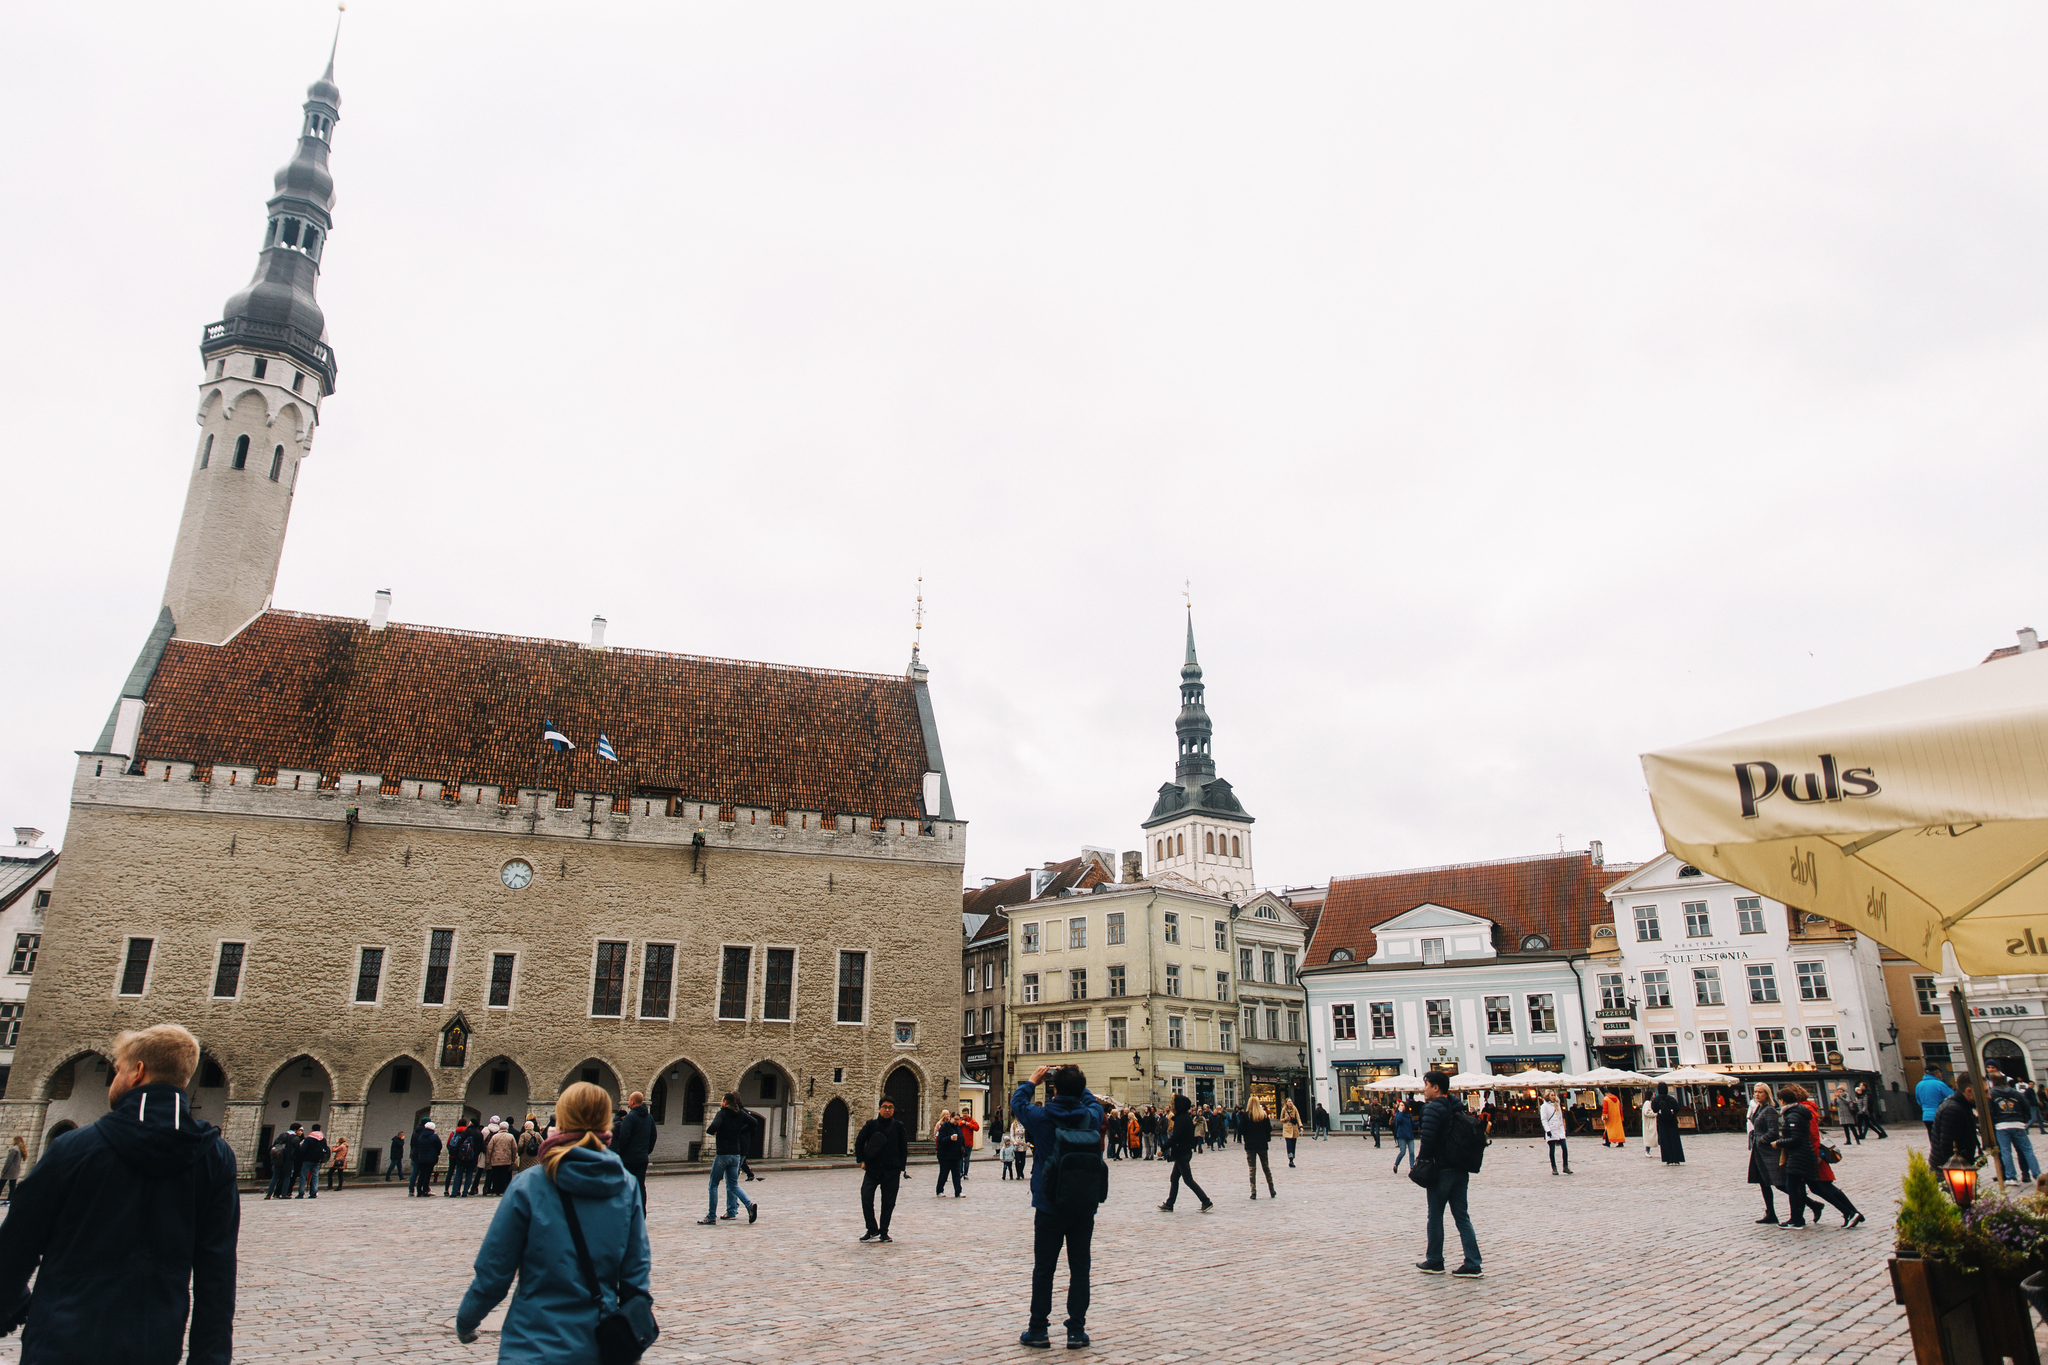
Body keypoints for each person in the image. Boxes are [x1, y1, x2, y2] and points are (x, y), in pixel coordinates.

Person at [0, 1023, 239, 1365]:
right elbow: (217, 1275)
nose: (115, 1079)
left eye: (117, 1070)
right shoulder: (215, 1158)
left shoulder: (73, 1149)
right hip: (153, 1345)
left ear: (137, 1072)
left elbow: (15, 1247)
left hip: (60, 1342)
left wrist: (10, 1304)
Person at [455, 1081, 651, 1358]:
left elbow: (494, 1270)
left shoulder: (529, 1185)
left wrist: (467, 1320)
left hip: (532, 1344)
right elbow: (636, 1275)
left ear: (563, 1118)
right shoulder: (627, 1186)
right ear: (605, 1122)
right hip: (598, 1346)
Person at [1012, 1063, 1105, 1349]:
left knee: (1044, 1269)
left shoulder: (1041, 1118)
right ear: (1080, 1089)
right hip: (1083, 1204)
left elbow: (1018, 1103)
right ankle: (1076, 1330)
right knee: (1080, 1269)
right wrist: (1077, 1080)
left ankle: (1038, 1329)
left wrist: (1032, 1079)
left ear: (1053, 1090)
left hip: (1049, 1203)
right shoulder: (1091, 1116)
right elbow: (1091, 1101)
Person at [1414, 1071, 1482, 1278]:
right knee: (1462, 1216)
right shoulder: (1456, 1106)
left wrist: (1421, 1162)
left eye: (1426, 1085)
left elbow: (1428, 1140)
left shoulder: (1432, 1109)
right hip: (1460, 1168)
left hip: (1441, 1169)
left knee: (1435, 1215)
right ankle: (1473, 1262)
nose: (1423, 1089)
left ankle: (1435, 1260)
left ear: (1436, 1088)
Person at [1774, 1083, 1866, 1229]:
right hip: (1808, 1154)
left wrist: (1815, 1155)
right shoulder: (1803, 1108)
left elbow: (1812, 1134)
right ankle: (1798, 1218)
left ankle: (1851, 1212)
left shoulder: (1803, 1109)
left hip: (1809, 1154)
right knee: (1809, 1187)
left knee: (1821, 1186)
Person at [698, 1093, 759, 1226]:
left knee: (713, 1185)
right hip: (735, 1155)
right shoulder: (740, 1114)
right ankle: (749, 1205)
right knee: (733, 1185)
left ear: (725, 1102)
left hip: (723, 1154)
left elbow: (712, 1128)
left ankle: (711, 1216)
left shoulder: (723, 1113)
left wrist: (717, 1132)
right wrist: (740, 1131)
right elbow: (754, 1122)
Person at [855, 1097, 908, 1242]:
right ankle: (872, 1229)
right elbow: (859, 1142)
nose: (887, 1110)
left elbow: (904, 1148)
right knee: (866, 1198)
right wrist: (862, 1160)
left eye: (890, 1107)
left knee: (888, 1203)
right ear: (879, 1108)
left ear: (893, 1110)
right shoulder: (871, 1125)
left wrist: (900, 1167)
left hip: (891, 1171)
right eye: (884, 1107)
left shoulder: (898, 1126)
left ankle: (884, 1231)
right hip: (873, 1170)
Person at [1157, 1091, 1213, 1213]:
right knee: (1174, 1178)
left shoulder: (1182, 1119)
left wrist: (1163, 1149)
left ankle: (1206, 1201)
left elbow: (1176, 1137)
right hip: (1182, 1152)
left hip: (1182, 1153)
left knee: (1188, 1180)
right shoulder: (1185, 1117)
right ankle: (1169, 1204)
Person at [1989, 1073, 2041, 1183]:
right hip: (2017, 1123)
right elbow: (2026, 1107)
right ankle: (2037, 1175)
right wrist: (2021, 1117)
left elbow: (1990, 1110)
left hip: (2002, 1125)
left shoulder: (1992, 1093)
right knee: (2027, 1150)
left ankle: (2011, 1177)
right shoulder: (2015, 1092)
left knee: (2006, 1152)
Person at [612, 1090, 655, 1214]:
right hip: (642, 1158)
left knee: (627, 1185)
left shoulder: (630, 1117)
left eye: (629, 1101)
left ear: (632, 1102)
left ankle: (627, 1211)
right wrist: (647, 1151)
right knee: (640, 1186)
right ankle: (641, 1212)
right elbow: (653, 1136)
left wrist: (621, 1152)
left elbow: (624, 1136)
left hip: (629, 1158)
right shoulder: (649, 1117)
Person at [1930, 1074, 1981, 1170]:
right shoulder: (1952, 1109)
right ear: (1969, 1091)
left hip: (1958, 1168)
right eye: (1985, 1092)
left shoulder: (1964, 1105)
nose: (1989, 1096)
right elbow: (1947, 1147)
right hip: (1950, 1171)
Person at [1243, 1099, 1278, 1198]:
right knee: (1266, 1167)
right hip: (1262, 1144)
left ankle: (1253, 1191)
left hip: (1250, 1145)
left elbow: (1241, 1129)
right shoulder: (1263, 1115)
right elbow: (1269, 1129)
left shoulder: (1246, 1116)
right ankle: (1272, 1189)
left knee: (1252, 1169)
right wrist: (1266, 1139)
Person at [1917, 1068, 1956, 1146]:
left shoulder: (1919, 1085)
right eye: (1940, 1073)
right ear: (1936, 1073)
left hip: (1926, 1116)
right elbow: (1953, 1096)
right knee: (1944, 1140)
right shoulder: (1939, 1084)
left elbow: (1919, 1101)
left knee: (1933, 1140)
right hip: (1940, 1115)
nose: (1941, 1075)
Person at [1650, 1083, 1685, 1165]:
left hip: (1662, 1122)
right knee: (1674, 1141)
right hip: (1672, 1122)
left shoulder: (1656, 1099)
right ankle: (1676, 1158)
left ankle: (1668, 1158)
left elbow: (1654, 1110)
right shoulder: (1671, 1099)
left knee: (1665, 1141)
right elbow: (1677, 1108)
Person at [934, 1110, 966, 1197]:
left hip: (956, 1155)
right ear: (951, 1118)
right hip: (945, 1155)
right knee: (944, 1174)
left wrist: (964, 1152)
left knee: (956, 1175)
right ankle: (939, 1190)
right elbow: (941, 1140)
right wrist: (950, 1138)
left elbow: (961, 1140)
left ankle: (958, 1191)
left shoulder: (958, 1127)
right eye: (955, 1119)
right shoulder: (945, 1127)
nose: (956, 1121)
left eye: (958, 1119)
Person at [1539, 1093, 1572, 1174]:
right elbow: (1544, 1119)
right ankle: (1554, 1168)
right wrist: (1548, 1130)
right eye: (1552, 1095)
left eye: (1554, 1095)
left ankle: (1565, 1166)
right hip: (1551, 1129)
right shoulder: (1544, 1106)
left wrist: (1563, 1129)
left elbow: (1560, 1118)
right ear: (1548, 1096)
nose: (1553, 1097)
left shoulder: (1557, 1105)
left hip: (1559, 1129)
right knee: (1552, 1149)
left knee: (1564, 1147)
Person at [267, 1123, 301, 1200]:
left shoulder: (282, 1135)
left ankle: (269, 1194)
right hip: (288, 1160)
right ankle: (284, 1194)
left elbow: (275, 1144)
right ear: (295, 1130)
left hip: (278, 1159)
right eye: (299, 1130)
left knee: (275, 1177)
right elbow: (297, 1150)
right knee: (287, 1177)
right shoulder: (295, 1138)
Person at [410, 1120, 442, 1197]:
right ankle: (425, 1190)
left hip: (421, 1157)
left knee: (421, 1174)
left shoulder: (421, 1136)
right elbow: (439, 1146)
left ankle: (418, 1190)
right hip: (431, 1158)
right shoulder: (434, 1137)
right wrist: (436, 1153)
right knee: (427, 1175)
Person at [484, 1122, 517, 1196]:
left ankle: (495, 1190)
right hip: (506, 1159)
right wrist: (513, 1159)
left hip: (496, 1159)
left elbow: (489, 1148)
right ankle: (502, 1190)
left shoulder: (495, 1136)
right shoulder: (510, 1137)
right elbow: (514, 1148)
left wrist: (488, 1159)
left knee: (495, 1175)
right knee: (503, 1176)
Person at [296, 1128, 329, 1198]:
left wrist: (302, 1156)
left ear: (312, 1130)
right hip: (317, 1160)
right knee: (315, 1176)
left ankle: (301, 1193)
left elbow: (303, 1149)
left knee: (303, 1176)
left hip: (307, 1160)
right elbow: (326, 1149)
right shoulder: (322, 1139)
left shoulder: (308, 1139)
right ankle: (314, 1192)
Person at [1392, 1102, 1417, 1173]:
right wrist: (1400, 1112)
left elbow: (1413, 1125)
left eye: (1402, 1105)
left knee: (1412, 1152)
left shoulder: (1408, 1115)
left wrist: (1421, 1122)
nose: (1401, 1106)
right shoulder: (1398, 1115)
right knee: (1403, 1152)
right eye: (1400, 1105)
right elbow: (1399, 1120)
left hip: (1409, 1135)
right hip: (1402, 1135)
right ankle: (1396, 1164)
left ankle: (1412, 1167)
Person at [956, 1108, 981, 1180]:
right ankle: (960, 1172)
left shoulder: (972, 1120)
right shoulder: (960, 1120)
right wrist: (962, 1123)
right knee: (960, 1158)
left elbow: (977, 1128)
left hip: (969, 1143)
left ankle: (966, 1173)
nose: (965, 1115)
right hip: (961, 1143)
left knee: (967, 1159)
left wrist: (968, 1124)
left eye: (966, 1113)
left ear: (968, 1113)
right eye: (963, 1113)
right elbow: (957, 1126)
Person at [1279, 1098, 1303, 1167]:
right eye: (1289, 1101)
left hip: (1294, 1128)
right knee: (1289, 1144)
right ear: (1286, 1103)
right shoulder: (1284, 1109)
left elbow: (1298, 1118)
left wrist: (1300, 1126)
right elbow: (1280, 1119)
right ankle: (1290, 1159)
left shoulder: (1294, 1108)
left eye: (1291, 1101)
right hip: (1287, 1129)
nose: (1290, 1102)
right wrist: (1285, 1119)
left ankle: (1293, 1157)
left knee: (1293, 1145)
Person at [0, 1137, 23, 1203]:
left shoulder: (14, 1149)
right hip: (16, 1169)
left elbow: (9, 1160)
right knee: (12, 1185)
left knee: (1, 1184)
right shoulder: (20, 1149)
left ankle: (9, 1200)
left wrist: (3, 1171)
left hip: (10, 1169)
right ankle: (10, 1200)